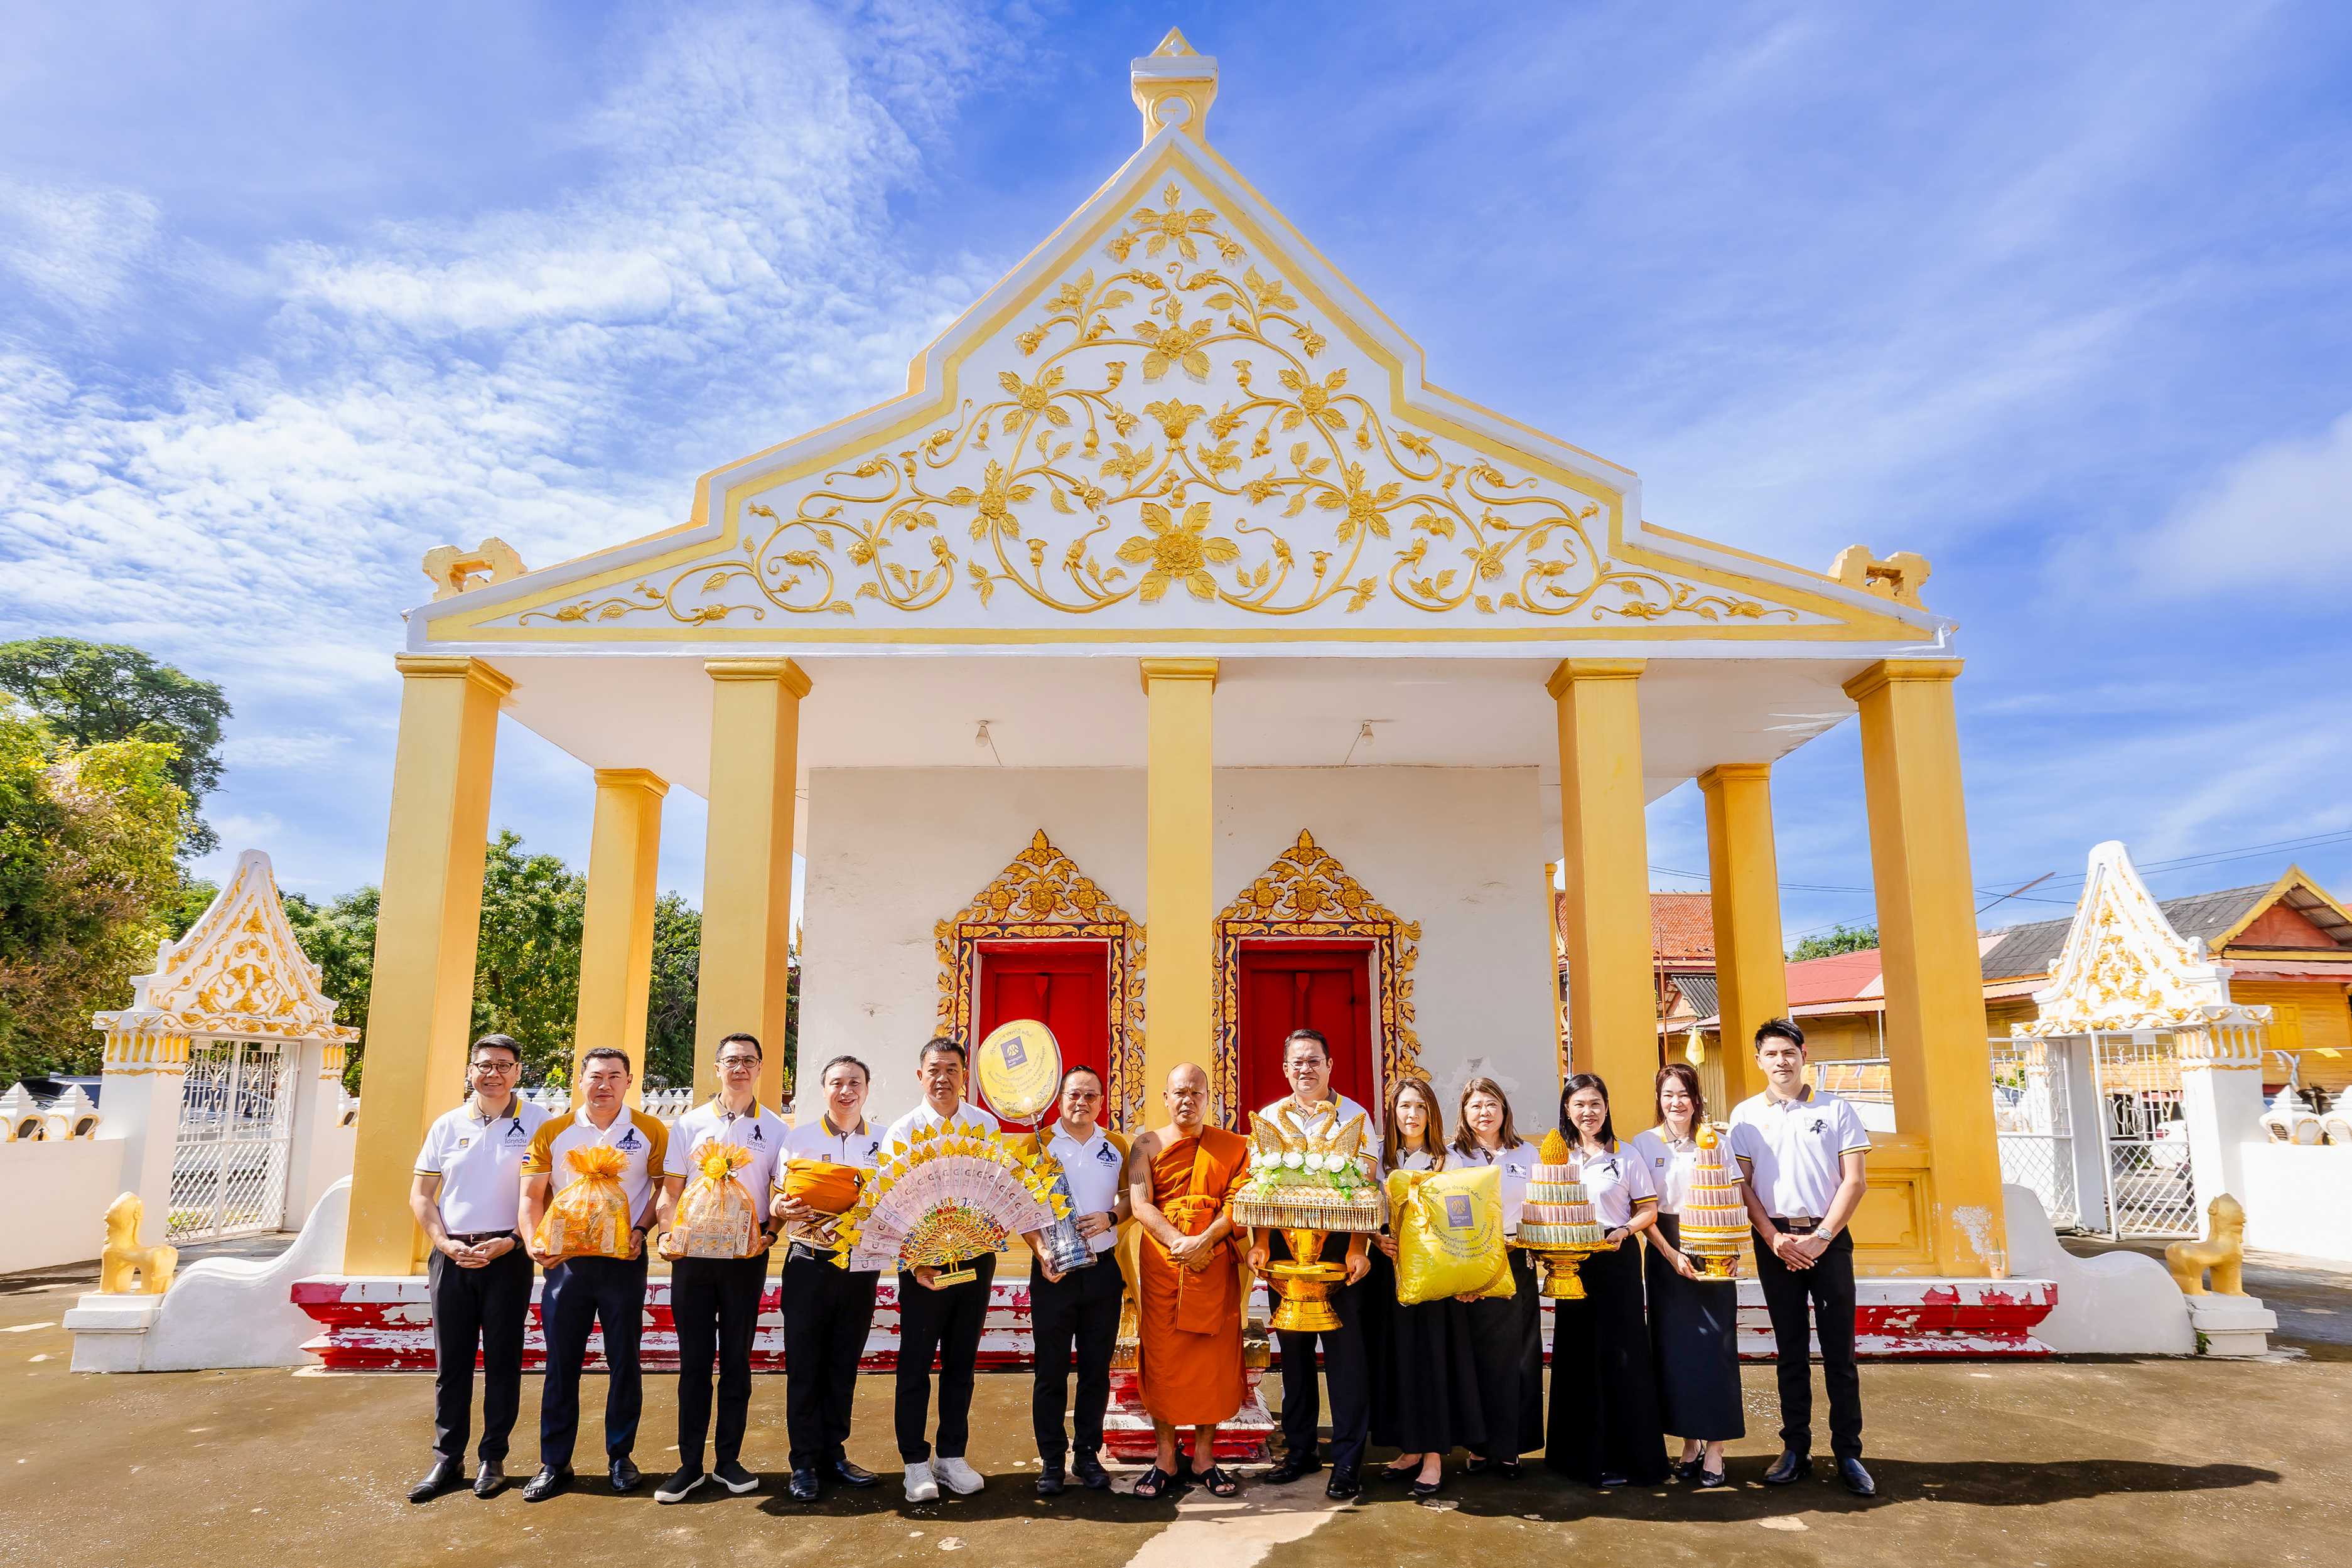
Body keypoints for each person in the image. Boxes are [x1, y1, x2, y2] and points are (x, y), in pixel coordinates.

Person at [1728, 1017, 1875, 1497]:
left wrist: (1823, 1236)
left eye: (1788, 1052)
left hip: (1828, 1244)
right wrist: (1772, 1238)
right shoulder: (1746, 1116)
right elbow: (1744, 1187)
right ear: (1759, 1061)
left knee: (1839, 1353)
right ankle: (1795, 1448)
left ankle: (1849, 1453)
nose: (1781, 1061)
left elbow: (1854, 1181)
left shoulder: (1836, 1109)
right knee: (1790, 1351)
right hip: (1776, 1246)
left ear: (1804, 1055)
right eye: (1770, 1054)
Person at [517, 1046, 668, 1502]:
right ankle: (554, 1462)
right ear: (579, 1080)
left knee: (625, 1359)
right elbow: (531, 1197)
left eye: (615, 1076)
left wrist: (642, 1229)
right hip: (567, 1265)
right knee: (562, 1362)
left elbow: (663, 1188)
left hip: (624, 1260)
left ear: (629, 1081)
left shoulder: (649, 1130)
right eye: (596, 1076)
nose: (604, 1084)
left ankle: (621, 1456)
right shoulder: (554, 1131)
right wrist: (533, 1243)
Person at [406, 1033, 550, 1502]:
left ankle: (494, 1457)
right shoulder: (447, 1125)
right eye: (485, 1065)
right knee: (453, 1363)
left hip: (507, 1256)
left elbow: (549, 1197)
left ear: (518, 1072)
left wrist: (512, 1240)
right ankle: (448, 1458)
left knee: (503, 1362)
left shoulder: (539, 1124)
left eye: (504, 1065)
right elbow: (422, 1195)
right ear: (470, 1070)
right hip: (452, 1256)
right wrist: (444, 1242)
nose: (493, 1074)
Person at [652, 1032, 787, 1503]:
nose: (740, 1068)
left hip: (746, 1261)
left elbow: (782, 1195)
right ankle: (689, 1464)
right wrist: (668, 1234)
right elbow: (671, 1191)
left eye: (749, 1060)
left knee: (735, 1361)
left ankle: (729, 1458)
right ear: (717, 1067)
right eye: (731, 1060)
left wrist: (773, 1233)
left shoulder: (775, 1129)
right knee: (693, 1363)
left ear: (761, 1068)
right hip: (692, 1261)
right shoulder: (688, 1125)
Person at [1254, 1028, 1375, 1500]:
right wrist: (1261, 1245)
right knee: (1296, 1360)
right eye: (1297, 1063)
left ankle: (1347, 1460)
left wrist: (1358, 1249)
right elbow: (1260, 1191)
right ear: (1286, 1070)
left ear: (1330, 1066)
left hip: (1340, 1252)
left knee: (1346, 1361)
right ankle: (1300, 1450)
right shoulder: (1270, 1119)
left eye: (1314, 1061)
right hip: (1284, 1251)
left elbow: (1367, 1188)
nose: (1306, 1069)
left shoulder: (1356, 1117)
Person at [882, 1036, 1001, 1503]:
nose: (942, 1079)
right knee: (915, 1362)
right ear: (920, 1075)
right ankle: (915, 1463)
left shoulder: (983, 1125)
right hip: (924, 1266)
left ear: (963, 1075)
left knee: (961, 1361)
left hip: (973, 1261)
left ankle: (952, 1455)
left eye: (952, 1069)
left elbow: (995, 1186)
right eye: (934, 1069)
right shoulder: (903, 1131)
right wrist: (916, 1260)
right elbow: (893, 1203)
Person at [1127, 1061, 1250, 1500]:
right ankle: (1164, 1456)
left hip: (1212, 1261)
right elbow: (1141, 1204)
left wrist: (1206, 1239)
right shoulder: (1145, 1144)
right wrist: (1180, 1241)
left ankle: (1203, 1455)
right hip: (1164, 1263)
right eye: (1179, 1092)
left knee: (1210, 1364)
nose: (1188, 1100)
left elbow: (1241, 1203)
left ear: (1208, 1098)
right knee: (1163, 1362)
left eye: (1196, 1093)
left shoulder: (1233, 1146)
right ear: (1165, 1097)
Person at [1545, 1071, 1669, 1489]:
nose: (1588, 1112)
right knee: (1578, 1356)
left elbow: (1648, 1210)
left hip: (1615, 1260)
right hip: (1572, 1263)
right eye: (1579, 1104)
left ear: (1607, 1107)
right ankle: (1575, 1458)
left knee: (1622, 1356)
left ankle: (1627, 1458)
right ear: (1567, 1110)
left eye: (1595, 1103)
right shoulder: (1557, 1156)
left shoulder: (1626, 1154)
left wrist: (1626, 1230)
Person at [774, 1053, 888, 1503]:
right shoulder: (797, 1139)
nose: (846, 1091)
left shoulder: (885, 1141)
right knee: (805, 1364)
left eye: (855, 1082)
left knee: (843, 1362)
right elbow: (777, 1202)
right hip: (808, 1261)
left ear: (867, 1088)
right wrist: (780, 1210)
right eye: (837, 1083)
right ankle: (802, 1462)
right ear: (823, 1089)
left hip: (859, 1266)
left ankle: (833, 1455)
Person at [1629, 1063, 1742, 1488]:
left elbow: (1732, 1196)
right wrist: (1669, 1253)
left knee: (1716, 1349)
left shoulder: (1716, 1142)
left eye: (1684, 1094)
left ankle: (1716, 1447)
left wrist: (1730, 1251)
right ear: (1658, 1099)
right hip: (1665, 1250)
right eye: (1668, 1095)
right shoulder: (1644, 1144)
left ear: (1697, 1099)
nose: (1676, 1103)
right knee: (1673, 1351)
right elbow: (1643, 1209)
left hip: (1714, 1246)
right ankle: (1689, 1443)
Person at [1368, 1077, 1481, 1499]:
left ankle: (1434, 1455)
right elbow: (1368, 1211)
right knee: (1398, 1362)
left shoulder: (1448, 1161)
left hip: (1437, 1278)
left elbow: (1465, 1220)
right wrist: (1378, 1240)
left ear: (1431, 1113)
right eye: (1404, 1107)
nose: (1411, 1114)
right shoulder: (1380, 1159)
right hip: (1391, 1275)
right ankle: (1409, 1448)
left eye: (1420, 1107)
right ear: (1392, 1113)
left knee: (1434, 1364)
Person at [1024, 1065, 1131, 1496]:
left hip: (1104, 1272)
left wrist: (1111, 1217)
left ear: (1101, 1102)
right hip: (1054, 1272)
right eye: (1073, 1095)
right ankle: (1051, 1460)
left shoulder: (1117, 1145)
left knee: (1095, 1372)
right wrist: (1042, 1252)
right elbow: (1021, 1206)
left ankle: (1087, 1455)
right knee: (1050, 1372)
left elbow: (1131, 1198)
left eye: (1090, 1096)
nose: (1081, 1103)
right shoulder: (1039, 1144)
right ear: (1060, 1099)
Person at [1448, 1075, 1543, 1476]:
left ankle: (1510, 1446)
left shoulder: (1527, 1154)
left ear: (1504, 1109)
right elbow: (1446, 1211)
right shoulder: (1453, 1155)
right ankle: (1479, 1444)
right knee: (1476, 1358)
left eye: (1491, 1104)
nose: (1483, 1113)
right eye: (1475, 1106)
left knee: (1517, 1357)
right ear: (1464, 1113)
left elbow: (1541, 1207)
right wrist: (1464, 1274)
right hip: (1468, 1261)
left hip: (1515, 1259)